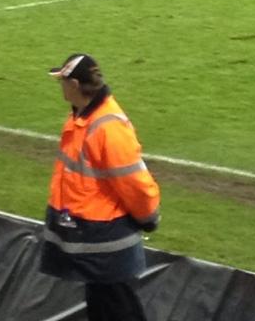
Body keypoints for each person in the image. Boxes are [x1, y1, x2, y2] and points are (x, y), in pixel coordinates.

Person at [40, 53, 160, 321]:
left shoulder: (107, 127)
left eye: (62, 81)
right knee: (104, 307)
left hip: (106, 244)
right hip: (93, 240)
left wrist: (148, 217)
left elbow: (133, 181)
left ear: (74, 85)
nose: (60, 86)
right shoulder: (82, 118)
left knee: (118, 308)